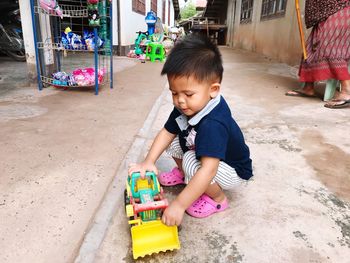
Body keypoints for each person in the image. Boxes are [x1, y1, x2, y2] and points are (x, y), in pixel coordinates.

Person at [128, 34, 253, 226]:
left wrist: (178, 205)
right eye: (174, 92)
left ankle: (218, 199)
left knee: (191, 162)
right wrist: (148, 162)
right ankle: (184, 174)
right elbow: (166, 132)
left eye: (188, 94)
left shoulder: (214, 123)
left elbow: (209, 170)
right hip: (209, 156)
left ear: (213, 89)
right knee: (176, 139)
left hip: (232, 169)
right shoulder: (186, 107)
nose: (180, 100)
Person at [286, 0, 350, 109]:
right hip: (323, 14)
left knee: (331, 49)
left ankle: (346, 91)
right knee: (309, 49)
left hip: (340, 8)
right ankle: (308, 88)